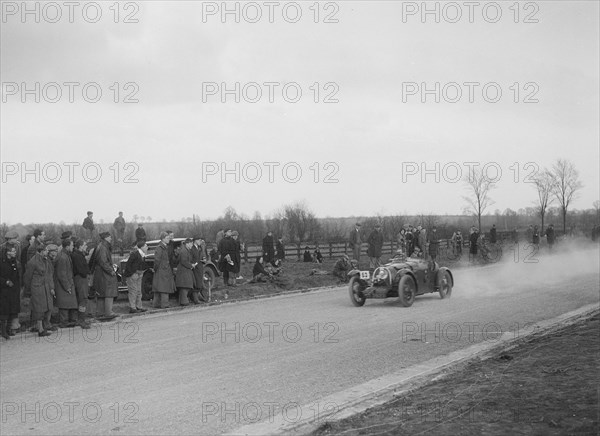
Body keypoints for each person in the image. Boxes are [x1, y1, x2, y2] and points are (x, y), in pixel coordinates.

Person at [24, 244, 56, 336]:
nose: (47, 252)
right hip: (37, 288)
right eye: (45, 250)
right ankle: (40, 330)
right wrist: (28, 291)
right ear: (41, 251)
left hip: (46, 287)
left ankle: (44, 326)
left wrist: (52, 287)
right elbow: (27, 277)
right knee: (39, 309)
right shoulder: (32, 262)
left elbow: (49, 275)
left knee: (48, 307)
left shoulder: (45, 260)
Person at [91, 232, 118, 320]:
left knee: (101, 293)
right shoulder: (103, 247)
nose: (111, 238)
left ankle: (100, 312)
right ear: (106, 238)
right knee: (109, 292)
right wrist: (111, 271)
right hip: (104, 273)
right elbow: (103, 262)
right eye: (110, 237)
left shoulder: (101, 246)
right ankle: (108, 312)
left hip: (100, 273)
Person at [54, 238, 78, 328]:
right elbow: (61, 274)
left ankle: (69, 321)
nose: (73, 247)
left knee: (68, 303)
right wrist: (67, 286)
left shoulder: (64, 255)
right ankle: (64, 322)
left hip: (67, 284)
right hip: (64, 285)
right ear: (67, 246)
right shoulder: (63, 257)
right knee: (65, 304)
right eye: (72, 245)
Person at [0, 243, 21, 339]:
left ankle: (9, 329)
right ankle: (3, 331)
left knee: (12, 310)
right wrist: (6, 282)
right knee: (4, 311)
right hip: (4, 291)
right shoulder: (2, 262)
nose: (15, 252)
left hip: (13, 291)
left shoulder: (14, 262)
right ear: (7, 252)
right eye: (13, 251)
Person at [152, 232, 176, 308]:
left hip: (164, 270)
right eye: (167, 238)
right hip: (162, 270)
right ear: (162, 239)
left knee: (160, 287)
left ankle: (157, 304)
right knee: (164, 287)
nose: (169, 239)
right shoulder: (160, 248)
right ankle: (164, 304)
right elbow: (157, 260)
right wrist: (156, 269)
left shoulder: (164, 247)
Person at [71, 239, 91, 328]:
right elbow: (81, 269)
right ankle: (81, 320)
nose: (86, 247)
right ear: (80, 246)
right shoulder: (77, 256)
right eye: (84, 245)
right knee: (83, 299)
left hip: (80, 278)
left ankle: (80, 319)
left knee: (82, 299)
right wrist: (86, 273)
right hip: (80, 279)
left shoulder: (78, 255)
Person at [124, 240, 148, 313]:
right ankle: (132, 307)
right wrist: (133, 272)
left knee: (138, 291)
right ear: (142, 247)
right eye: (146, 246)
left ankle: (138, 306)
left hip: (139, 274)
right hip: (133, 275)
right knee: (133, 291)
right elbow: (128, 265)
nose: (147, 247)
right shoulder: (135, 254)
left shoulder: (142, 254)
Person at [175, 238, 195, 306]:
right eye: (191, 244)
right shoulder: (184, 251)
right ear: (187, 243)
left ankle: (183, 301)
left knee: (185, 286)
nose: (191, 245)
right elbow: (184, 261)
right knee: (184, 286)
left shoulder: (185, 250)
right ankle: (184, 301)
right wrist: (191, 265)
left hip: (184, 270)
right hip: (183, 271)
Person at [190, 236, 206, 304]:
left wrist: (204, 259)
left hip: (200, 267)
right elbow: (191, 258)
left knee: (199, 283)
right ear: (195, 241)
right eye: (199, 240)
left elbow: (202, 256)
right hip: (195, 268)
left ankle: (198, 298)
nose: (200, 241)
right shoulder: (192, 248)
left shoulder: (199, 248)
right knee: (196, 283)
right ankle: (195, 299)